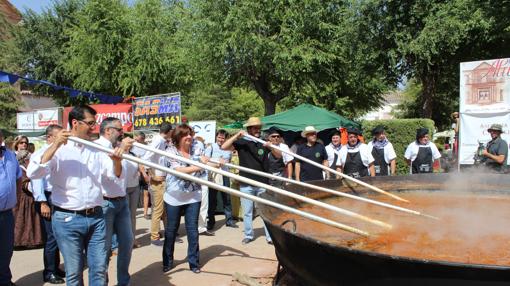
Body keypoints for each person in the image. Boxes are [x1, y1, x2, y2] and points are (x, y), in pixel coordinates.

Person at [27, 105, 131, 286]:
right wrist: (56, 145)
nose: (94, 128)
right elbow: (34, 172)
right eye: (90, 123)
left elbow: (114, 174)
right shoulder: (57, 148)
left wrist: (117, 161)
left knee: (98, 270)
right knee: (74, 273)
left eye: (94, 123)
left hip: (97, 217)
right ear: (75, 123)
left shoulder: (95, 148)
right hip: (68, 219)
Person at [221, 117, 280, 245]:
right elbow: (224, 147)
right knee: (247, 212)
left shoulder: (264, 142)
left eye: (259, 127)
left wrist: (271, 147)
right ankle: (248, 234)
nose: (257, 130)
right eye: (254, 128)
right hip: (246, 183)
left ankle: (269, 237)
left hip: (262, 183)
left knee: (265, 211)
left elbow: (278, 156)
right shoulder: (242, 142)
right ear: (249, 129)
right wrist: (237, 135)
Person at [162, 124, 207, 274]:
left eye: (190, 134)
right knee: (171, 230)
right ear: (178, 137)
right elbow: (179, 171)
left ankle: (193, 262)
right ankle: (167, 261)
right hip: (174, 197)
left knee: (192, 230)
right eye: (185, 135)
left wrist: (214, 161)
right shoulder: (170, 151)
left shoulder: (196, 148)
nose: (189, 137)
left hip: (193, 196)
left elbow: (206, 161)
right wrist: (200, 165)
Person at [95, 117, 134, 286]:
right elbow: (112, 174)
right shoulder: (96, 147)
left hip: (121, 201)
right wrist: (122, 152)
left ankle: (123, 282)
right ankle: (102, 282)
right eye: (119, 130)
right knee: (103, 249)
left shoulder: (116, 147)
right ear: (108, 130)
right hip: (105, 203)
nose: (122, 133)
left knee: (127, 243)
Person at [30, 124, 66, 284]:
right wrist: (42, 202)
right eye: (58, 136)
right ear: (49, 137)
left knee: (58, 235)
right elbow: (36, 180)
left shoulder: (60, 152)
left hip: (58, 197)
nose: (62, 139)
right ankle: (49, 272)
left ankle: (55, 267)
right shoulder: (40, 154)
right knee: (51, 237)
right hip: (46, 198)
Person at [142, 122, 173, 246]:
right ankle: (155, 237)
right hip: (158, 181)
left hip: (163, 179)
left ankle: (168, 234)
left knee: (164, 210)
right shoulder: (158, 141)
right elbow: (146, 158)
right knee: (158, 210)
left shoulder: (161, 141)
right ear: (169, 131)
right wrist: (152, 175)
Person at [0, 129, 22, 286]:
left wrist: (17, 199)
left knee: (6, 250)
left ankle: (5, 280)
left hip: (7, 213)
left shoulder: (10, 155)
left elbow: (18, 178)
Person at [205, 129, 237, 229]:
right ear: (216, 137)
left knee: (226, 198)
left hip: (225, 174)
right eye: (219, 137)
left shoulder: (229, 149)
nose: (221, 139)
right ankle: (211, 221)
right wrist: (217, 161)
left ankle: (229, 220)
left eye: (223, 138)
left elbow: (230, 161)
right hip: (214, 175)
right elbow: (205, 160)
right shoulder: (211, 147)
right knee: (212, 199)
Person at [13, 150, 45, 249]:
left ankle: (33, 240)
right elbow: (27, 185)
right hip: (23, 200)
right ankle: (21, 242)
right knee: (23, 221)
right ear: (25, 161)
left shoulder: (26, 171)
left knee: (31, 221)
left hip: (29, 199)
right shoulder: (21, 171)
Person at [131, 132, 151, 220]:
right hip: (136, 173)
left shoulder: (148, 147)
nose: (136, 140)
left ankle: (145, 213)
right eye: (135, 139)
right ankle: (133, 212)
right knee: (135, 194)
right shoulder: (132, 147)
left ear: (143, 139)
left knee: (146, 193)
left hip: (145, 172)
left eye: (138, 139)